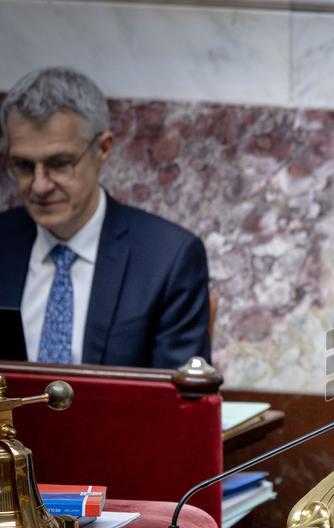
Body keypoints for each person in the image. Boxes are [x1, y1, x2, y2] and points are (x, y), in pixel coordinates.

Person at [0, 67, 211, 369]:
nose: (40, 185)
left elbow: (176, 393)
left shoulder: (167, 259)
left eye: (59, 163)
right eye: (23, 166)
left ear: (103, 148)